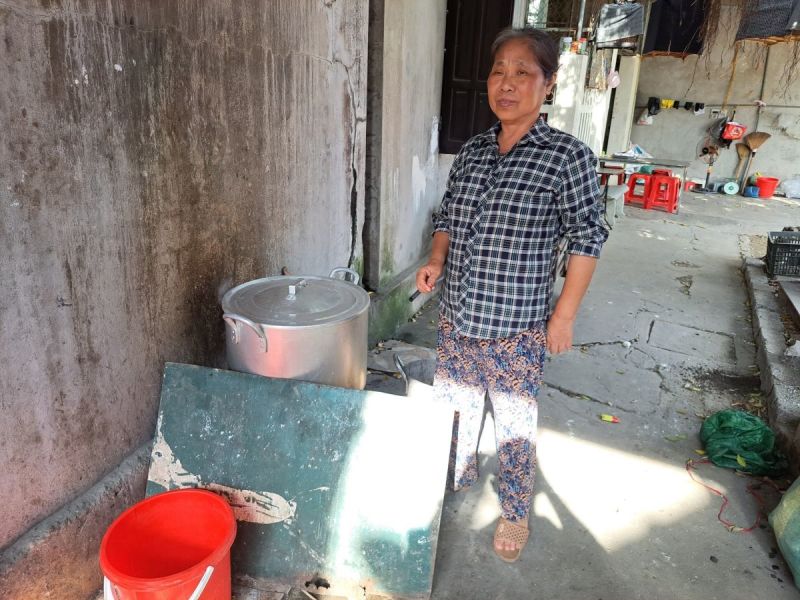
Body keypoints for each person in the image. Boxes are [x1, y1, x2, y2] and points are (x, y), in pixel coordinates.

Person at [416, 27, 608, 563]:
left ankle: (515, 511)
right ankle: (452, 480)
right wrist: (435, 260)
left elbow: (588, 236)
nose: (507, 82)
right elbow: (448, 217)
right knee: (453, 411)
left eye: (523, 72)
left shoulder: (566, 156)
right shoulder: (474, 151)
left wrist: (564, 316)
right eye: (499, 70)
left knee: (515, 426)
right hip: (458, 316)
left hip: (518, 328)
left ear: (547, 85)